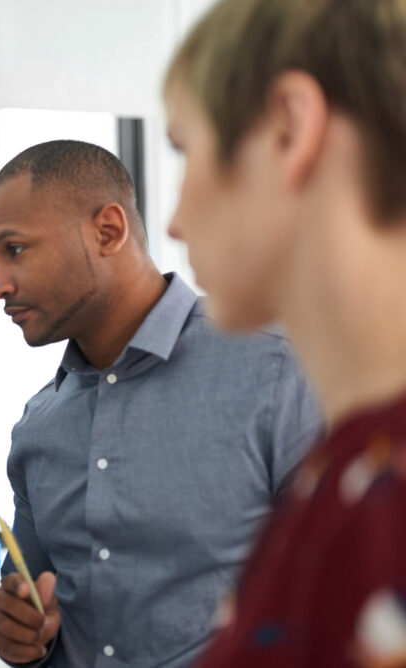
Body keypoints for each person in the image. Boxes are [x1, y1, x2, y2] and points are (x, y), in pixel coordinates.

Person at [0, 140, 323, 667]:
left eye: (16, 250)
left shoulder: (279, 370)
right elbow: (36, 606)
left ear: (108, 231)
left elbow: (351, 594)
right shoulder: (38, 426)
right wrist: (23, 635)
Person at [164, 1, 406, 665]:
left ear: (287, 130)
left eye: (184, 149)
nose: (175, 219)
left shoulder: (384, 496)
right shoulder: (351, 464)